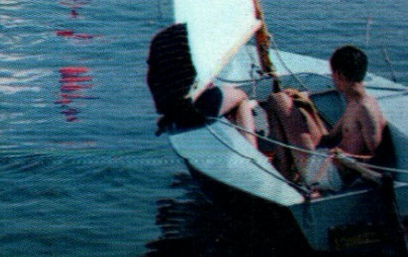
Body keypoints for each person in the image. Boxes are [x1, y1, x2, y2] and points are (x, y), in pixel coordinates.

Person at [265, 45, 387, 189]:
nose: (332, 79)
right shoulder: (357, 101)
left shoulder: (364, 109)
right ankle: (285, 164)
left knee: (277, 100)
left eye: (333, 74)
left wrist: (344, 159)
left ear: (340, 75)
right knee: (292, 104)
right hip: (327, 159)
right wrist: (306, 108)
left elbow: (379, 159)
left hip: (329, 173)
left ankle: (284, 169)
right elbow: (329, 139)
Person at [145, 23, 261, 151]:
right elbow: (202, 74)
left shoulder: (160, 39)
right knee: (241, 96)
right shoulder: (198, 38)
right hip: (192, 109)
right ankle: (252, 150)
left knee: (221, 95)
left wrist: (164, 109)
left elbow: (152, 79)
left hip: (170, 109)